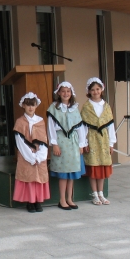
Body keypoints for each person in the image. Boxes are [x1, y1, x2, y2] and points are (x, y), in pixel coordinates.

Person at [47, 81, 86, 210]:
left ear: (71, 93)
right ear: (58, 93)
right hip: (61, 141)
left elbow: (80, 127)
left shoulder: (74, 107)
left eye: (68, 91)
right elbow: (51, 128)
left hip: (73, 143)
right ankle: (62, 199)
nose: (65, 93)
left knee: (72, 173)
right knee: (64, 173)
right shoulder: (54, 108)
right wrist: (54, 144)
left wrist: (81, 144)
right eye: (63, 91)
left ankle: (70, 198)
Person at [12, 93, 49, 213]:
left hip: (39, 156)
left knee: (38, 178)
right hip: (26, 156)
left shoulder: (40, 121)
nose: (30, 108)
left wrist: (40, 156)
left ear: (36, 105)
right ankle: (30, 201)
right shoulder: (20, 122)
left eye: (32, 105)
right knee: (29, 178)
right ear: (23, 105)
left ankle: (38, 201)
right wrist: (31, 157)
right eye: (28, 105)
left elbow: (44, 140)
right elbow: (20, 142)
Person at [82, 77, 116, 205]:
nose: (95, 92)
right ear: (89, 91)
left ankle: (101, 193)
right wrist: (84, 143)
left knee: (101, 166)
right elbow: (84, 126)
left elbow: (110, 125)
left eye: (97, 89)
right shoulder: (86, 107)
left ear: (101, 89)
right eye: (93, 90)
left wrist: (111, 143)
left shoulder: (106, 106)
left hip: (103, 139)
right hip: (91, 138)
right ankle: (94, 194)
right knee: (93, 166)